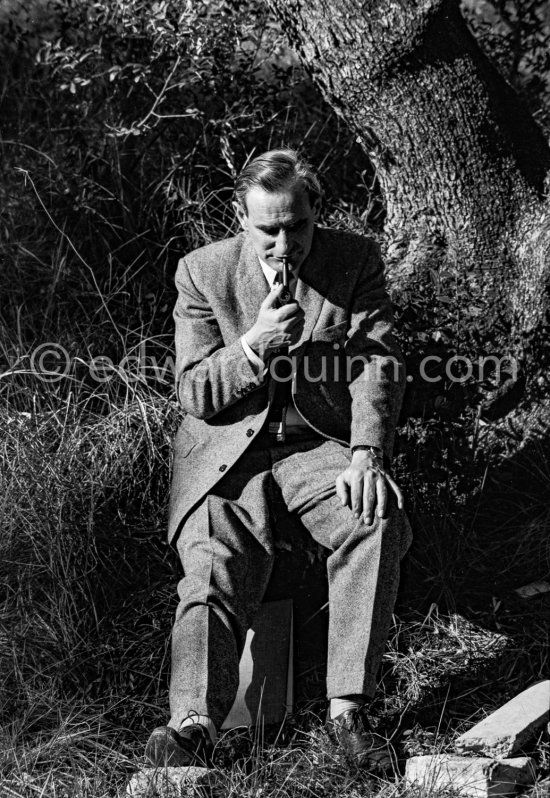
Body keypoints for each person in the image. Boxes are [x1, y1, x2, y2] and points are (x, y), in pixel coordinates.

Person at [145, 149, 412, 771]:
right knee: (214, 564)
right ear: (242, 220)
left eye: (297, 225)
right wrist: (252, 347)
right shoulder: (201, 272)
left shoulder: (353, 260)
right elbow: (194, 393)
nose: (284, 242)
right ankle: (193, 723)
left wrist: (367, 453)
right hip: (225, 456)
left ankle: (348, 711)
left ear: (315, 213)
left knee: (375, 522)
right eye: (269, 229)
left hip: (319, 447)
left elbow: (379, 364)